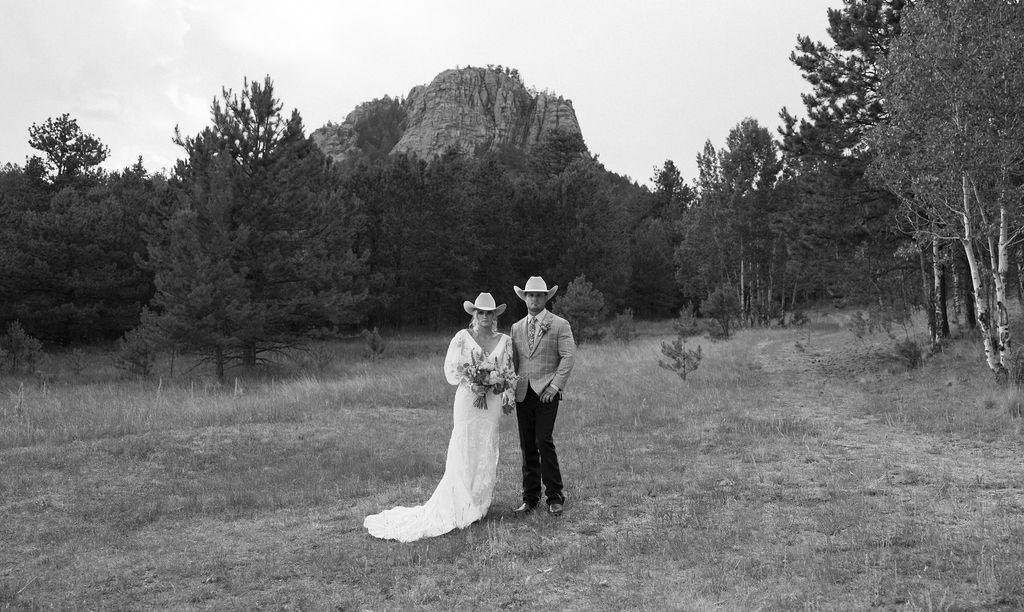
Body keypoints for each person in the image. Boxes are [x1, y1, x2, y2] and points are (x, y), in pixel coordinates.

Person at [363, 292, 516, 542]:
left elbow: (508, 371)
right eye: (481, 312)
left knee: (485, 448)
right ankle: (459, 502)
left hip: (492, 404)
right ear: (474, 314)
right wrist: (473, 382)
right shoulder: (462, 338)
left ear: (495, 315)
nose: (485, 316)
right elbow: (452, 370)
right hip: (468, 400)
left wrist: (498, 387)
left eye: (490, 312)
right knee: (463, 446)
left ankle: (478, 503)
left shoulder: (505, 341)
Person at [510, 276, 576, 516]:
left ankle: (555, 496)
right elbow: (514, 363)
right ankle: (530, 498)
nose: (534, 299)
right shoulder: (516, 328)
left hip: (547, 392)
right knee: (527, 444)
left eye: (539, 295)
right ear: (525, 298)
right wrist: (509, 390)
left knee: (543, 441)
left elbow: (568, 356)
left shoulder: (559, 324)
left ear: (546, 298)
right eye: (530, 295)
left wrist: (555, 386)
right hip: (522, 392)